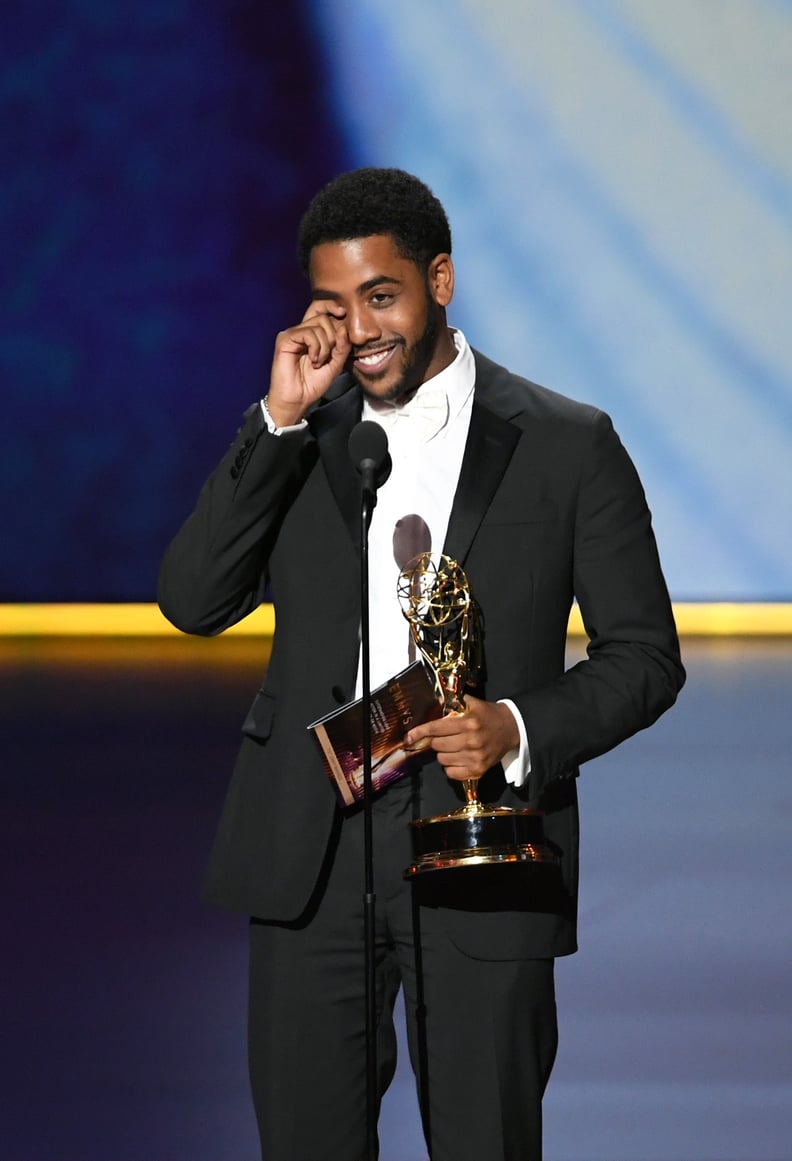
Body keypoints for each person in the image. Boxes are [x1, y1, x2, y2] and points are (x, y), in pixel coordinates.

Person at [158, 167, 685, 1161]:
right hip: (312, 843)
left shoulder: (569, 445)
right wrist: (273, 420)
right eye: (334, 305)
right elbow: (193, 600)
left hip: (481, 834)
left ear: (440, 280)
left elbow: (645, 659)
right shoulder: (299, 440)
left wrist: (519, 729)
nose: (360, 330)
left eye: (382, 296)